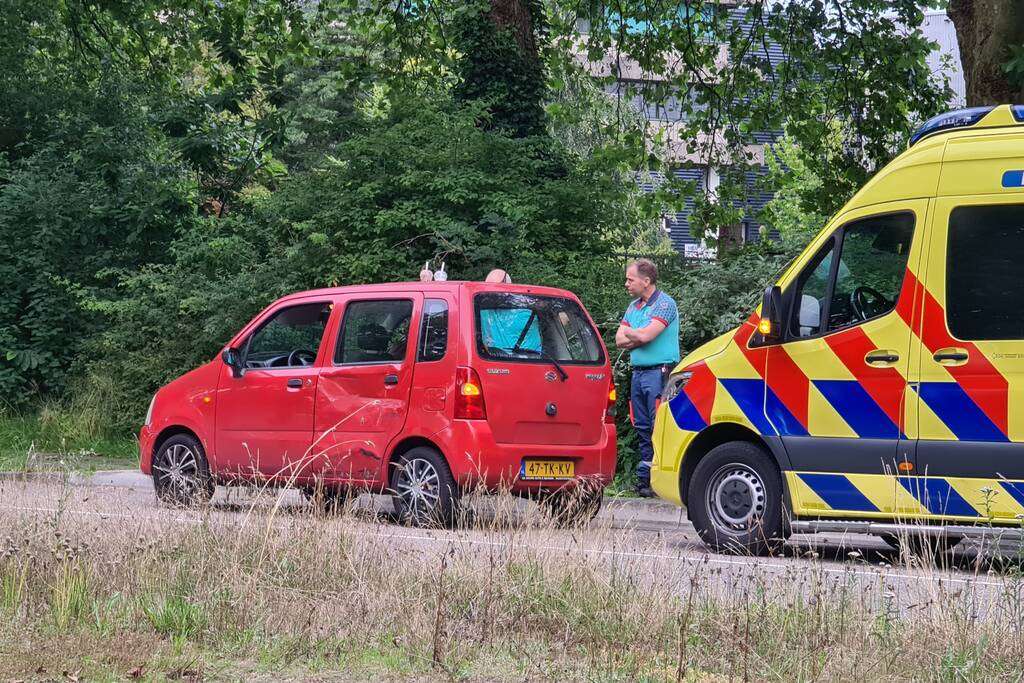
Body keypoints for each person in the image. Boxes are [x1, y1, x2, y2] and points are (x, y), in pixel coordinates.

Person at [615, 258, 680, 497]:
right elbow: (619, 340)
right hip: (639, 374)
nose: (626, 284)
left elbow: (646, 336)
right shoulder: (634, 307)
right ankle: (645, 482)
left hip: (659, 373)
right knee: (641, 427)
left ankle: (663, 483)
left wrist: (636, 335)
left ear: (646, 280)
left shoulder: (665, 304)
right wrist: (638, 335)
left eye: (630, 279)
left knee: (658, 427)